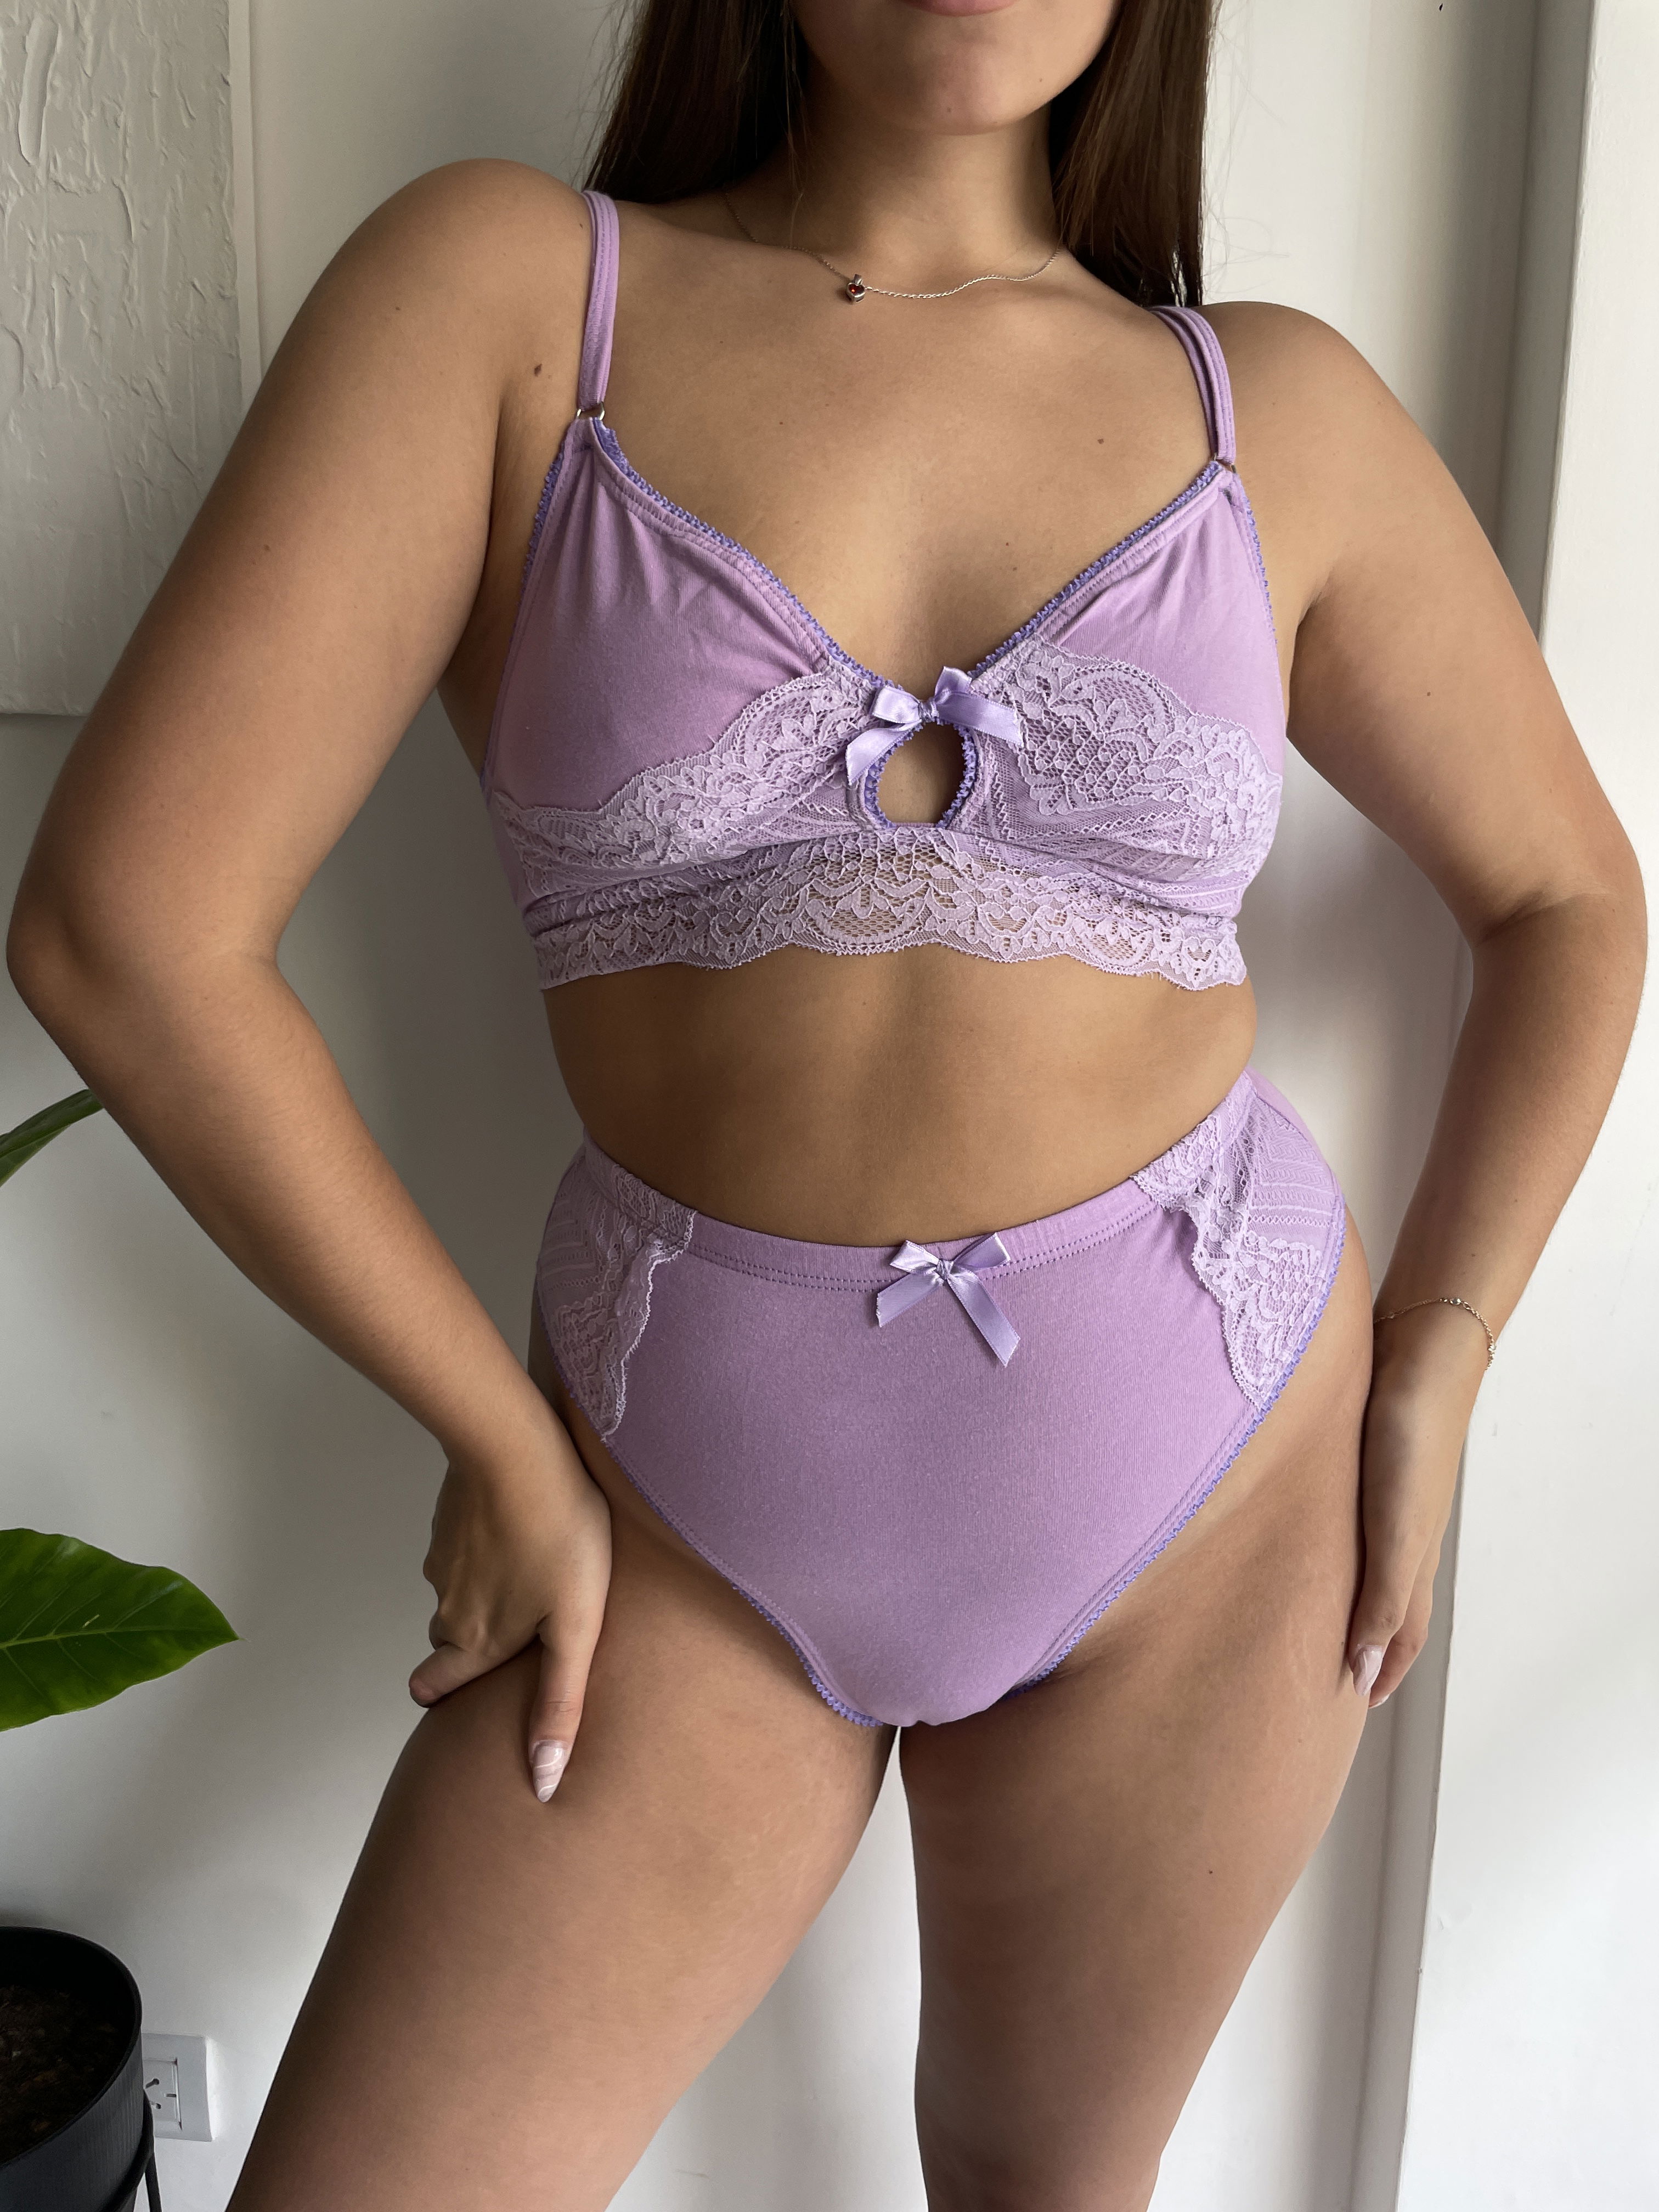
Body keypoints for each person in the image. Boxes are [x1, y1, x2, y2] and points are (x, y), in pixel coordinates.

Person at [7, 1, 1643, 2205]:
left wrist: (1439, 1359)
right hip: (663, 1517)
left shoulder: (1281, 411)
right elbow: (126, 931)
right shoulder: (511, 302)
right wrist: (494, 1437)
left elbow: (1568, 901)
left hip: (1218, 1472)